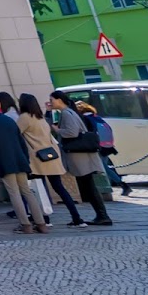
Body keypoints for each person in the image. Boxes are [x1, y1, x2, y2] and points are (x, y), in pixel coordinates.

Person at [17, 93, 87, 228]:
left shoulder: (24, 118)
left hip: (37, 158)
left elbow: (15, 133)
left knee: (39, 190)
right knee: (59, 188)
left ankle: (45, 219)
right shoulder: (40, 118)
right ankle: (77, 218)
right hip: (51, 156)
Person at [0, 93, 49, 233]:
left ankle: (25, 224)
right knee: (27, 191)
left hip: (6, 159)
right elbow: (21, 141)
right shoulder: (30, 117)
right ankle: (41, 223)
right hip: (20, 159)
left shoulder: (3, 120)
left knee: (14, 193)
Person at [48, 91, 112, 225]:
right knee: (88, 185)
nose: (50, 102)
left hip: (79, 155)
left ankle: (102, 215)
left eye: (52, 99)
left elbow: (72, 132)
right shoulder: (69, 112)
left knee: (89, 185)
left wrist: (57, 130)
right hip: (82, 155)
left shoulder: (66, 113)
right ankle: (101, 215)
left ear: (59, 100)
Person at [80, 100, 126, 191]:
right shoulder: (96, 117)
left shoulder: (85, 119)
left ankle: (122, 184)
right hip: (107, 145)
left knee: (103, 167)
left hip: (97, 146)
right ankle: (115, 185)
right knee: (104, 166)